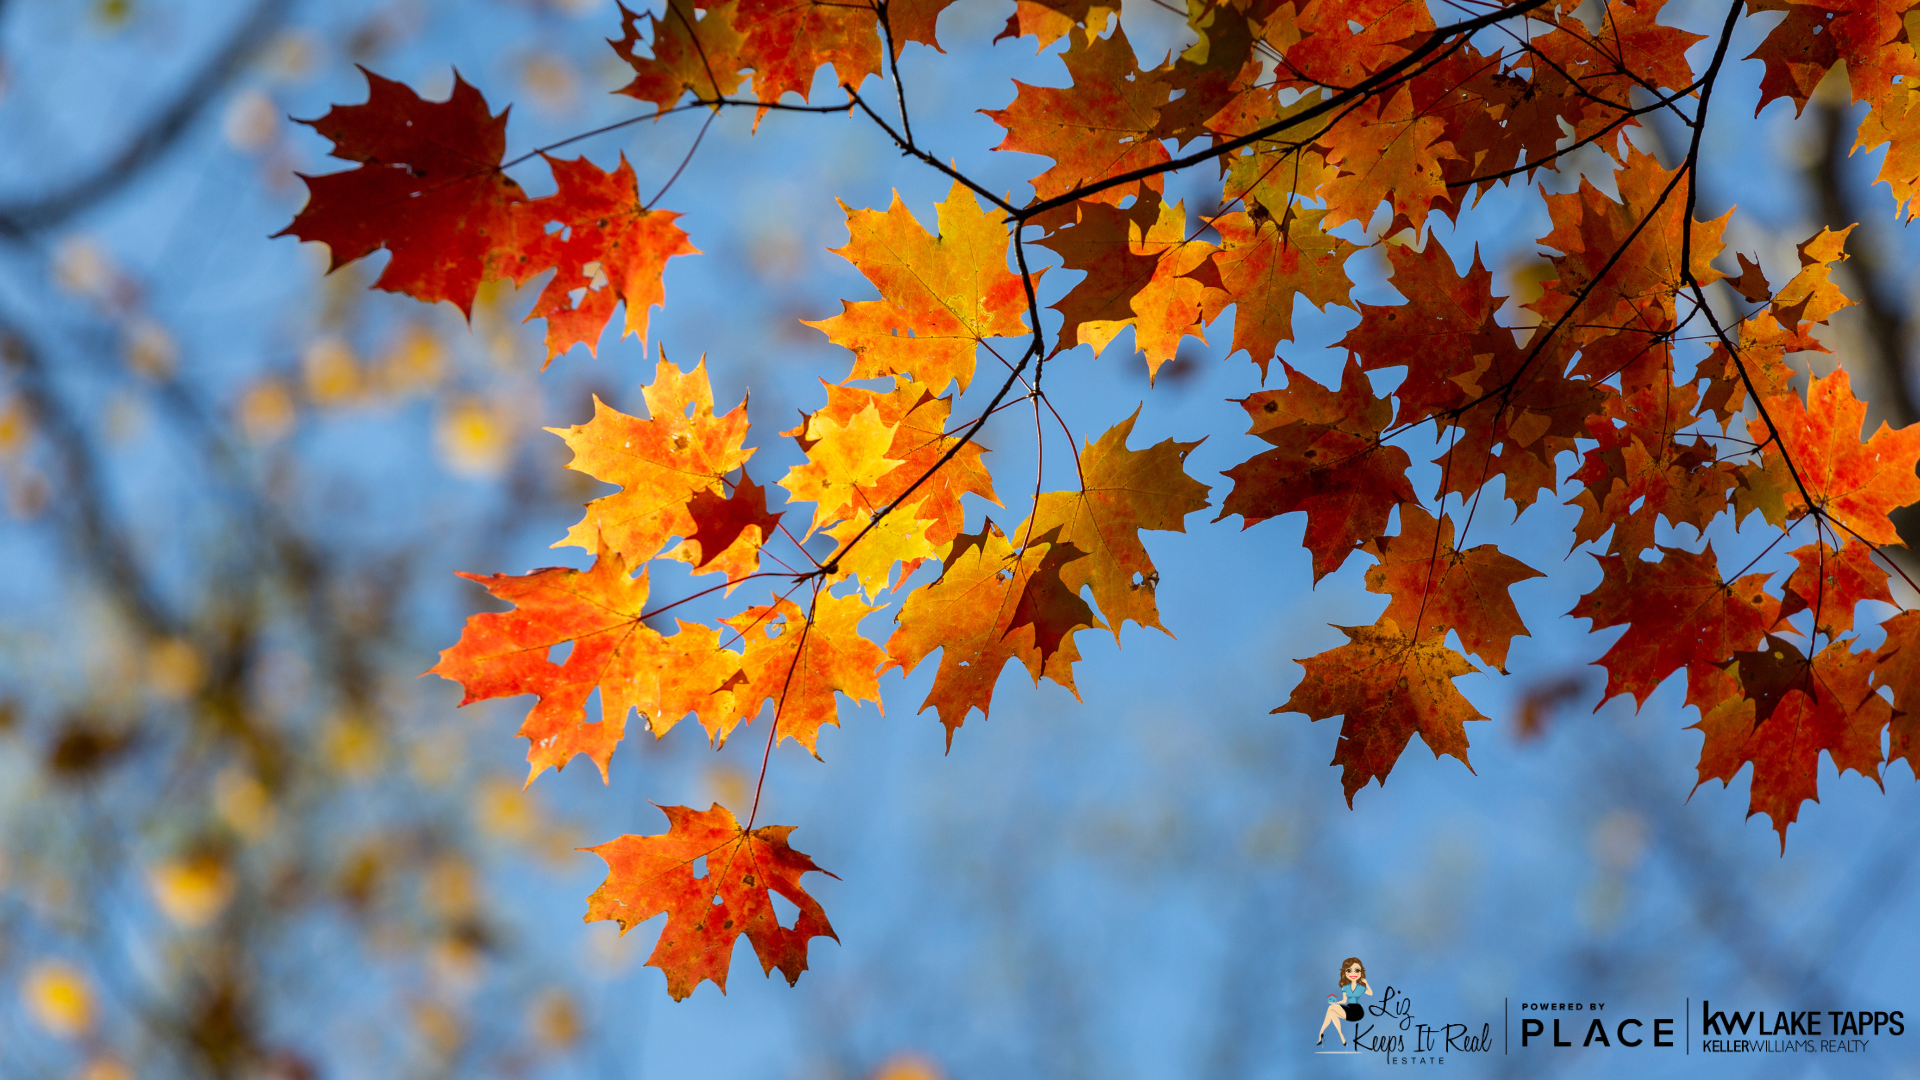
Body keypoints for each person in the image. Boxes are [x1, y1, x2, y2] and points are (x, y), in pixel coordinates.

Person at [1318, 957, 1372, 1046]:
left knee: (1331, 1009)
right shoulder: (1345, 987)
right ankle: (1340, 1036)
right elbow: (1344, 1000)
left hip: (1357, 1011)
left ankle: (1322, 1033)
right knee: (1332, 1012)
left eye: (1357, 970)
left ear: (1361, 972)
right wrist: (1335, 1003)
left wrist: (1366, 983)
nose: (1353, 973)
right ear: (1345, 972)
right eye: (1349, 970)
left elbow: (1370, 993)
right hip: (1349, 1008)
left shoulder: (1360, 987)